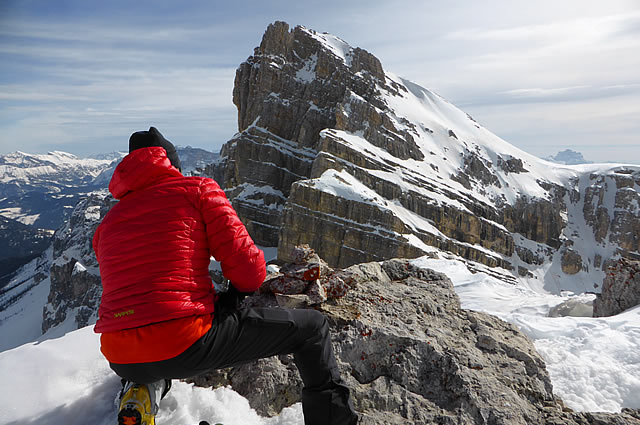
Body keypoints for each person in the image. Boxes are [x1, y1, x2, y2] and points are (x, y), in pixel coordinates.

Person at [93, 127, 358, 425]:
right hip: (183, 342)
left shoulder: (107, 224)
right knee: (313, 329)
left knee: (150, 351)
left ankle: (139, 391)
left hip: (119, 355)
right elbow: (250, 270)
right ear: (171, 164)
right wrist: (236, 295)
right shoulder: (197, 190)